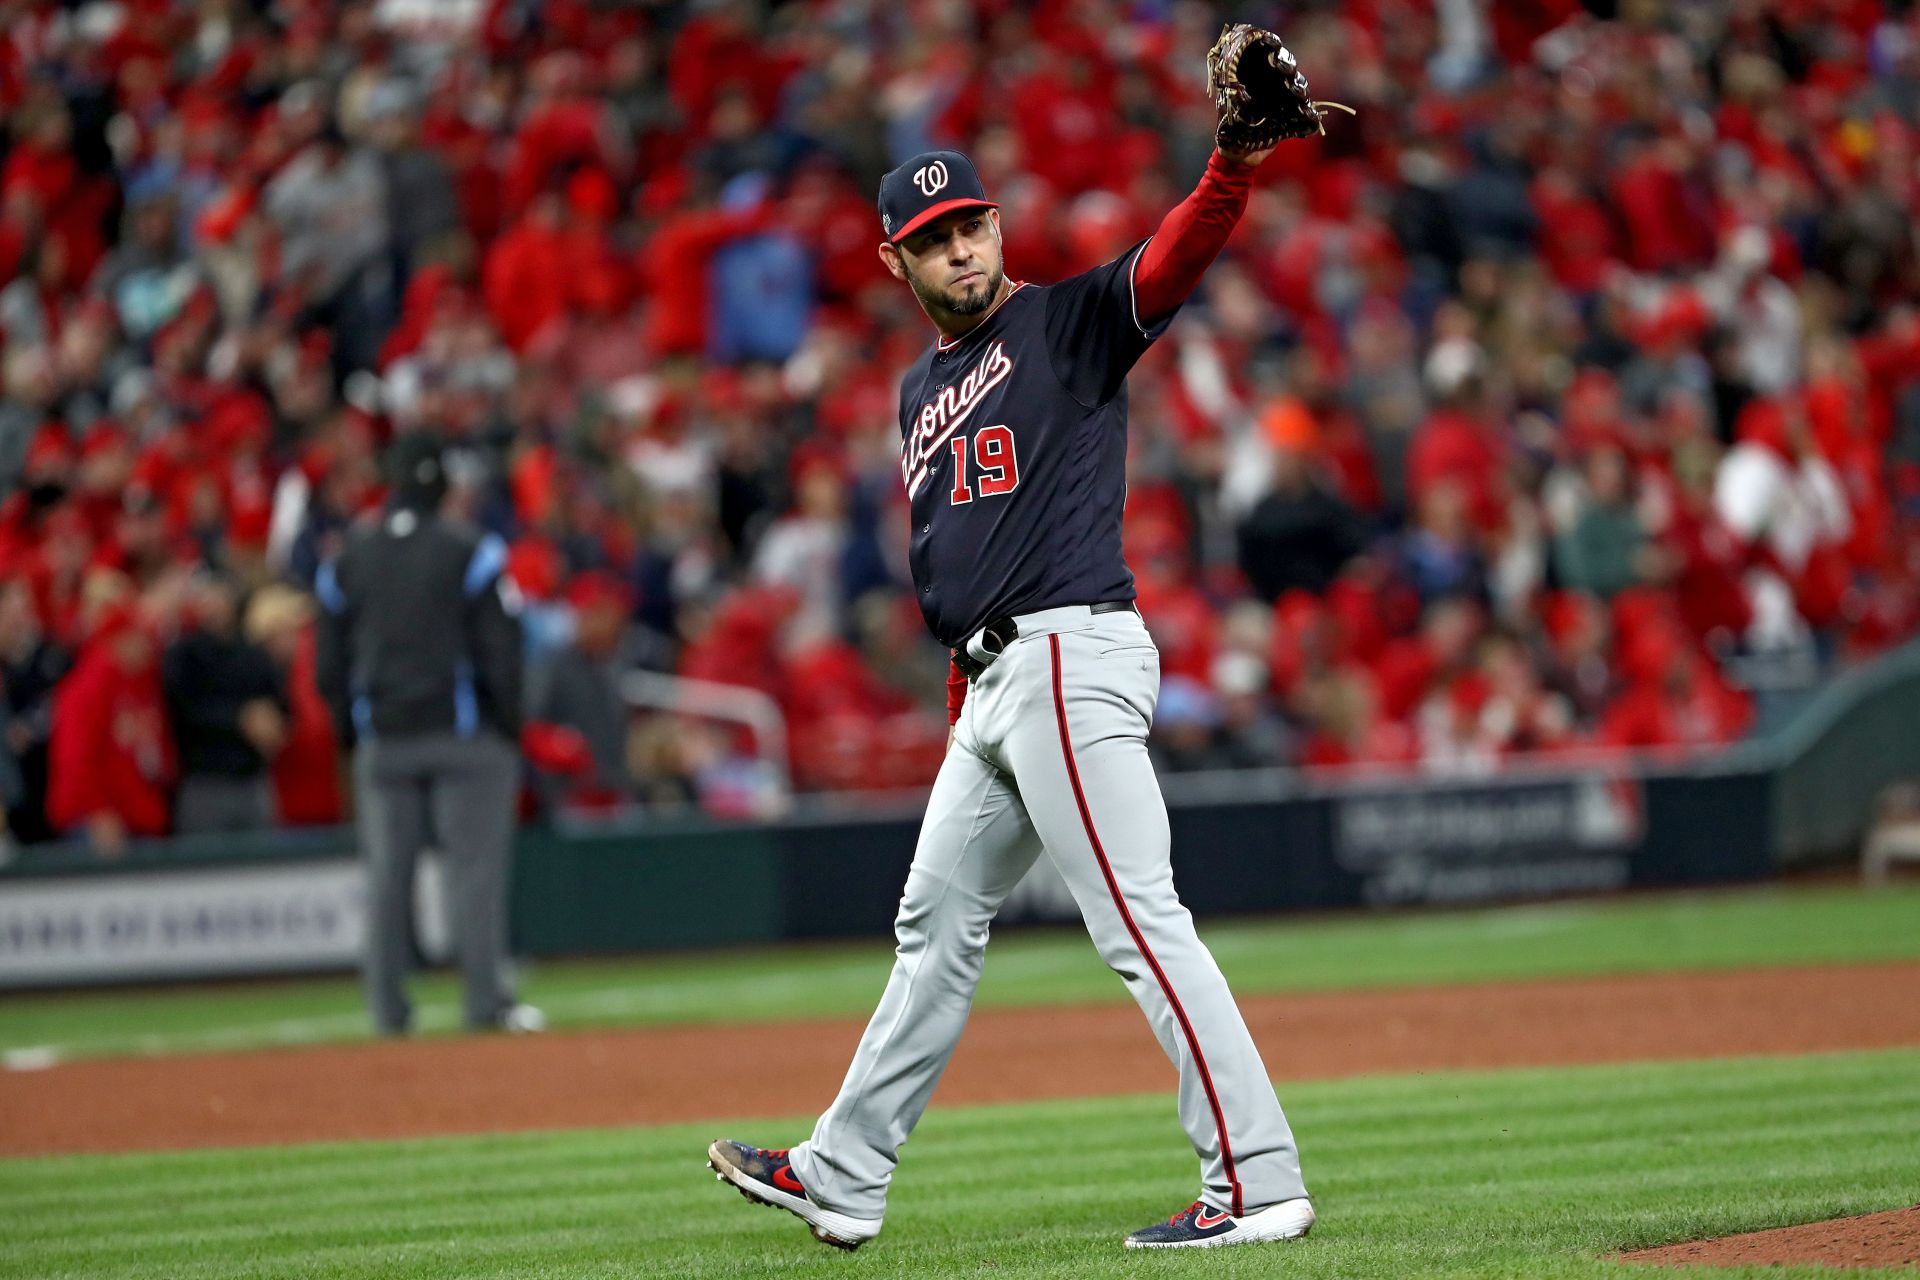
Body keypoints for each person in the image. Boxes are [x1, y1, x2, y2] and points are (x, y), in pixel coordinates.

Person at [707, 111, 1315, 1254]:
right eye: (935, 241)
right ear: (898, 261)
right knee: (932, 923)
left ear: (996, 225)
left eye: (972, 226)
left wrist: (1230, 167)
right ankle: (844, 1170)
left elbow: (1173, 254)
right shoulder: (914, 392)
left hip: (1066, 653)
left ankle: (1257, 1176)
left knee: (1141, 919)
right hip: (991, 684)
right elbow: (958, 558)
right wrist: (963, 691)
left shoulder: (1067, 323)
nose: (962, 252)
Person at [315, 432, 539, 1036]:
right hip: (463, 736)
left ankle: (388, 1011)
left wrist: (352, 734)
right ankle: (484, 1003)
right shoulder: (472, 549)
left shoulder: (349, 554)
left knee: (388, 878)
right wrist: (508, 727)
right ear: (443, 484)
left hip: (383, 739)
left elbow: (327, 666)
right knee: (474, 875)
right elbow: (503, 652)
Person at [162, 573, 287, 834]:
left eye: (221, 595)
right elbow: (183, 712)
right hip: (206, 782)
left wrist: (274, 722)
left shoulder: (254, 654)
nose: (216, 604)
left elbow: (281, 706)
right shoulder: (184, 655)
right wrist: (240, 719)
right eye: (208, 596)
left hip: (251, 779)